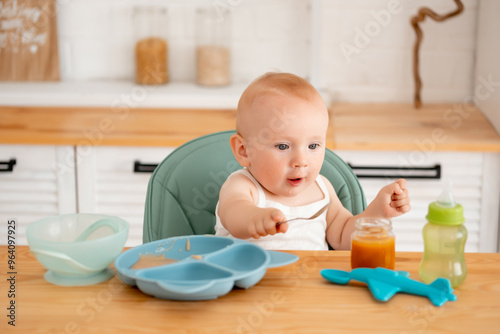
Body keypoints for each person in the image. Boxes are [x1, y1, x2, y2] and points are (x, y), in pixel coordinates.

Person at [215, 72, 411, 250]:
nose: (301, 161)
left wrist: (377, 212)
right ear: (244, 151)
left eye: (313, 146)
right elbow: (234, 212)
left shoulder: (322, 189)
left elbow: (343, 237)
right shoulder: (243, 186)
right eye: (283, 146)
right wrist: (253, 218)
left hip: (312, 286)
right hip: (250, 287)